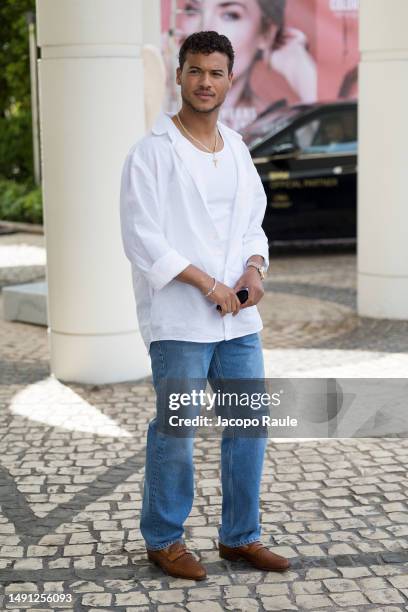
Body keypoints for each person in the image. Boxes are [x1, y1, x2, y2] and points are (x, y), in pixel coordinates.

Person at [120, 30, 290, 581]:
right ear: (179, 76)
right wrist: (204, 283)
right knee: (177, 428)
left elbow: (252, 223)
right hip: (181, 318)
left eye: (216, 73)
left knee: (250, 425)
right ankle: (164, 540)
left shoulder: (237, 148)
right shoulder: (151, 151)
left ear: (229, 79)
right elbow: (142, 236)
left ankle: (240, 537)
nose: (205, 82)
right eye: (196, 71)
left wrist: (253, 270)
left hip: (237, 319)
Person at [163, 0, 317, 130]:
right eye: (192, 11)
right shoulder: (158, 140)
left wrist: (302, 72)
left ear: (266, 33)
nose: (205, 29)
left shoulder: (264, 131)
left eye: (230, 15)